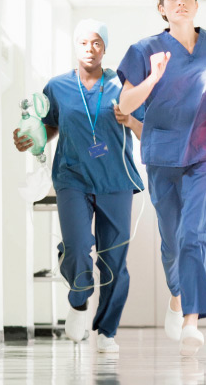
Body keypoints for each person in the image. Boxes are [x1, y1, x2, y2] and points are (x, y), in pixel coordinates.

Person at [13, 19, 144, 353]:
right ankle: (79, 300)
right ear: (76, 46)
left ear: (105, 47)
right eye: (84, 42)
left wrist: (129, 119)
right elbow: (48, 127)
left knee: (114, 262)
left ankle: (106, 331)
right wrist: (31, 138)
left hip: (115, 179)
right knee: (76, 247)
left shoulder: (123, 84)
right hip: (72, 178)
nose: (90, 49)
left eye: (97, 42)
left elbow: (147, 130)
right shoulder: (57, 87)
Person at [117, 0, 206, 356]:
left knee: (193, 233)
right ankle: (179, 296)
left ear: (197, 6)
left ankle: (191, 320)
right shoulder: (144, 49)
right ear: (162, 10)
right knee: (171, 241)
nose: (180, 3)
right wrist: (154, 77)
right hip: (163, 153)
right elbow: (127, 104)